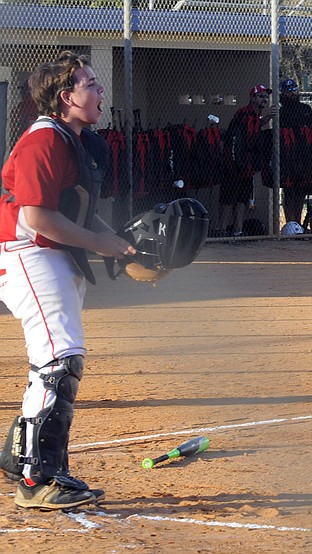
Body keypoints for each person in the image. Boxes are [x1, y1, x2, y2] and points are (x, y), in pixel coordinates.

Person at [0, 51, 136, 510]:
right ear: (65, 97)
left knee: (55, 356)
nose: (99, 91)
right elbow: (38, 217)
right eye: (90, 84)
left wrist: (117, 243)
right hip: (29, 253)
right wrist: (102, 245)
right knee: (59, 357)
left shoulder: (69, 139)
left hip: (47, 254)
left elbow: (72, 209)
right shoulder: (44, 141)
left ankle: (19, 459)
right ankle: (39, 479)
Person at [216, 84, 269, 237]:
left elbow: (257, 127)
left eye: (265, 97)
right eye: (260, 96)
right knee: (228, 199)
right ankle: (222, 230)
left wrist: (269, 117)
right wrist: (235, 161)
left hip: (247, 166)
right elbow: (237, 139)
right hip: (234, 165)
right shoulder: (244, 114)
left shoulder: (255, 116)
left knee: (242, 199)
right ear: (252, 98)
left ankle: (237, 230)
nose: (264, 99)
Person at [274, 78, 312, 225]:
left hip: (304, 156)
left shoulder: (305, 109)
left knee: (301, 191)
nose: (292, 94)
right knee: (288, 191)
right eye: (288, 91)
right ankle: (290, 222)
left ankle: (298, 223)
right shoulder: (281, 112)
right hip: (287, 156)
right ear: (283, 93)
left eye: (294, 91)